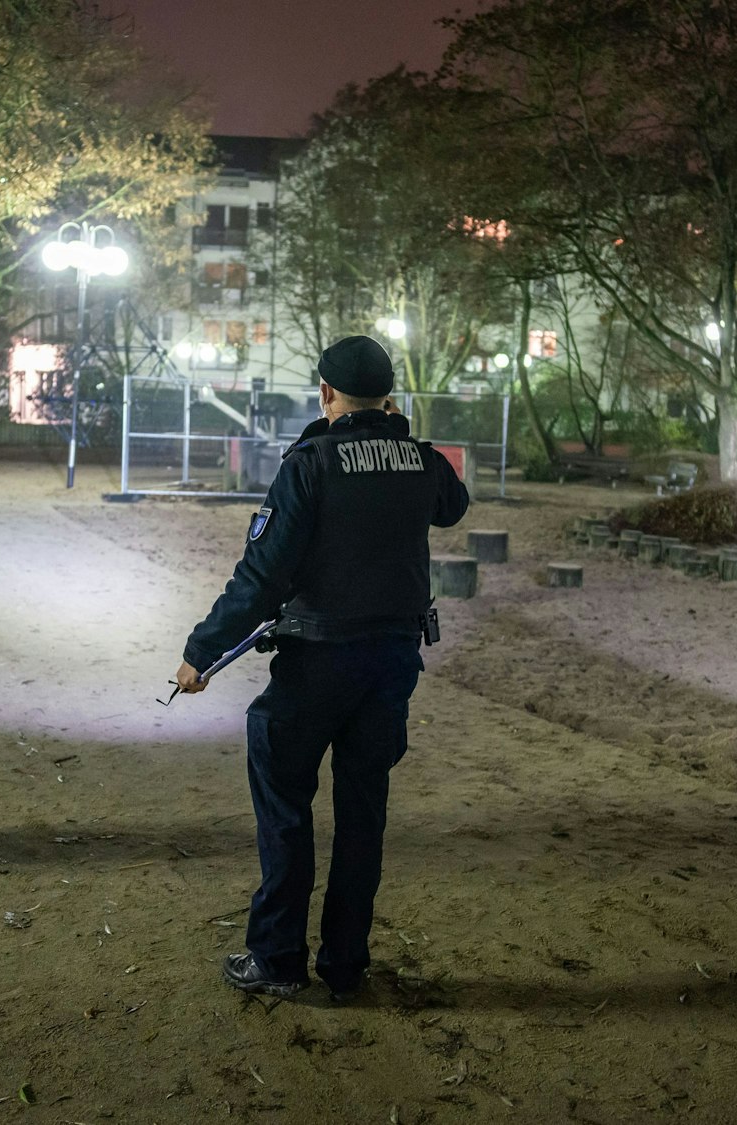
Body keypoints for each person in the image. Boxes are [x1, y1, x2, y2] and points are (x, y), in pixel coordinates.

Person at [173, 335, 469, 999]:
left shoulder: (311, 463)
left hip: (317, 663)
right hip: (391, 664)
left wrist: (202, 650)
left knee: (284, 801)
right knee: (363, 814)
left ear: (326, 392)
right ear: (389, 397)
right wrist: (399, 434)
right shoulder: (420, 460)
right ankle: (345, 965)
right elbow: (454, 505)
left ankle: (278, 957)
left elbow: (263, 574)